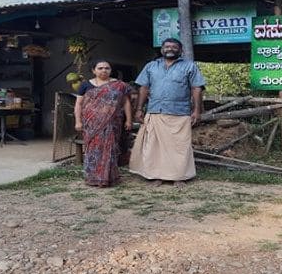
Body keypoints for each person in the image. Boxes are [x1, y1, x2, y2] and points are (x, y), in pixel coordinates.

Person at [130, 38, 205, 187]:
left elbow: (196, 88)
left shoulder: (189, 66)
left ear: (181, 50)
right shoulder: (151, 66)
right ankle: (157, 176)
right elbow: (143, 88)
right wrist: (139, 109)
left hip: (180, 112)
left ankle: (179, 176)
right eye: (167, 46)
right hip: (155, 111)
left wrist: (196, 110)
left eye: (174, 47)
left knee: (180, 147)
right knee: (155, 147)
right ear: (162, 49)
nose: (170, 49)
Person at [74, 59, 133, 187]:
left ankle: (108, 178)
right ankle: (93, 177)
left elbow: (126, 102)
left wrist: (129, 119)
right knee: (92, 149)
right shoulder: (85, 85)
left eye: (107, 68)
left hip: (112, 123)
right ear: (93, 70)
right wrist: (78, 121)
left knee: (110, 149)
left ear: (111, 70)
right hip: (91, 123)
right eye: (100, 68)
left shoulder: (119, 85)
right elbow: (78, 104)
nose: (104, 70)